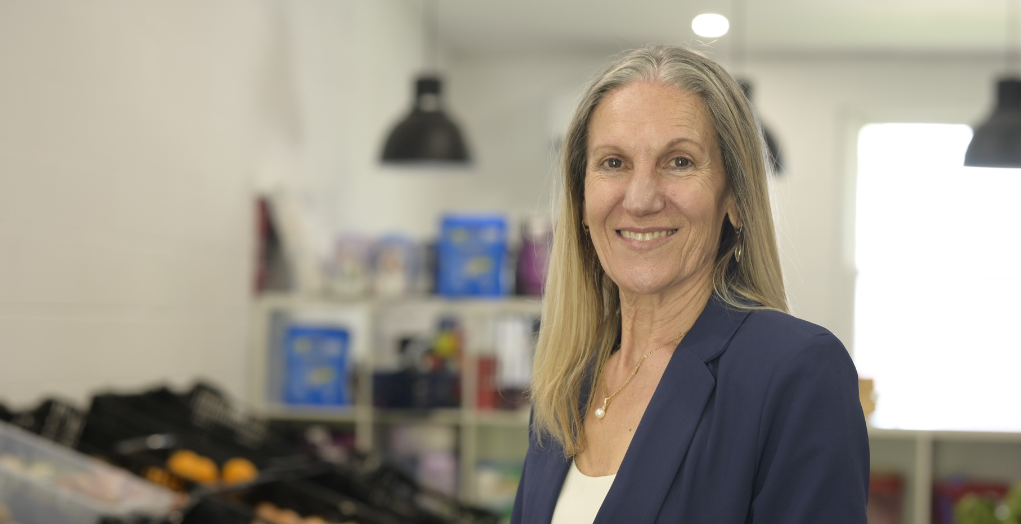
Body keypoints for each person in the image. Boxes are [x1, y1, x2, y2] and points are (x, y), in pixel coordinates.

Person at [510, 46, 869, 524]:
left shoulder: (795, 372)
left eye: (679, 162)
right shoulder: (566, 384)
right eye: (613, 163)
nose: (639, 200)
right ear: (580, 199)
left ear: (735, 198)